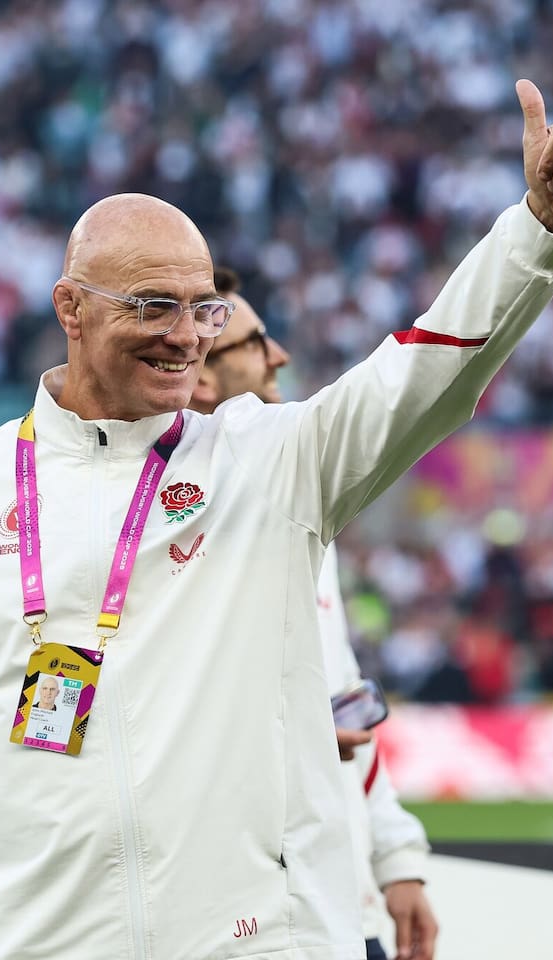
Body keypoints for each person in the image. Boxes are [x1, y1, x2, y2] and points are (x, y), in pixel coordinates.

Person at [0, 80, 553, 960]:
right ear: (71, 309)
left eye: (201, 307)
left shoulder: (272, 463)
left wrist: (540, 232)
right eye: (153, 306)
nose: (187, 336)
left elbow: (429, 372)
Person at [190, 270, 438, 960]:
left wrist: (393, 858)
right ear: (200, 376)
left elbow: (344, 704)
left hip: (339, 908)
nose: (281, 356)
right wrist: (283, 735)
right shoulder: (156, 538)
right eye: (254, 341)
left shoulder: (296, 509)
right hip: (243, 923)